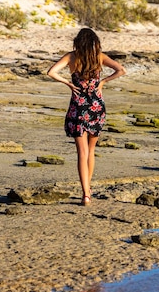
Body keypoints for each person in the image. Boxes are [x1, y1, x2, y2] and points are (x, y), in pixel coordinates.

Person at [47, 28, 125, 206]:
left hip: (78, 106)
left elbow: (51, 72)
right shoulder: (99, 57)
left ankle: (85, 195)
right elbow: (121, 70)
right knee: (91, 151)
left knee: (81, 152)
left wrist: (68, 83)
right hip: (96, 106)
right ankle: (88, 192)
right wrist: (103, 82)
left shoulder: (71, 57)